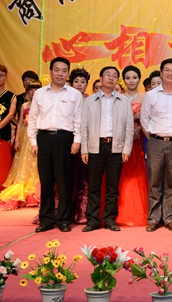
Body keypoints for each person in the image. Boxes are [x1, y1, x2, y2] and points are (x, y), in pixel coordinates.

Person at [28, 57, 83, 233]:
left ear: (68, 73)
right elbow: (33, 118)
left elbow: (78, 120)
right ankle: (46, 219)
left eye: (64, 71)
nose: (60, 74)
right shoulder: (40, 93)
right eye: (57, 70)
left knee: (64, 181)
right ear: (51, 71)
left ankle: (63, 219)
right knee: (46, 181)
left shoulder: (74, 94)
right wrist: (33, 142)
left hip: (65, 139)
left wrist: (76, 141)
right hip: (44, 138)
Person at [80, 66, 133, 232]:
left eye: (114, 76)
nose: (111, 78)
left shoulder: (124, 101)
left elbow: (129, 127)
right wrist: (84, 149)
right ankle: (93, 220)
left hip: (115, 147)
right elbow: (84, 127)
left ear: (117, 80)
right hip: (95, 147)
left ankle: (110, 219)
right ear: (101, 78)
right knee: (94, 186)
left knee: (112, 187)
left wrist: (126, 149)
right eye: (108, 75)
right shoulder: (90, 101)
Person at [140, 59, 172, 232]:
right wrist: (152, 139)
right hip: (155, 142)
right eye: (167, 70)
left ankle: (170, 218)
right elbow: (144, 119)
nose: (170, 73)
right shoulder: (151, 95)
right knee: (154, 181)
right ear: (161, 72)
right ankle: (153, 218)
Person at [0, 80, 42, 210]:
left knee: (36, 162)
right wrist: (17, 140)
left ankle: (36, 191)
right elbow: (20, 124)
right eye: (31, 90)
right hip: (25, 135)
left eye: (36, 90)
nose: (33, 92)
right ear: (28, 91)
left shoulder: (43, 105)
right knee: (23, 163)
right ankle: (23, 193)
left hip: (37, 135)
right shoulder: (24, 105)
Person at [117, 65, 148, 227]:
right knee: (122, 175)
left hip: (140, 140)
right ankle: (121, 212)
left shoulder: (145, 97)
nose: (131, 81)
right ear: (123, 80)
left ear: (139, 79)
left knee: (139, 174)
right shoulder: (119, 97)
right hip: (122, 141)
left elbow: (148, 117)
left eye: (134, 77)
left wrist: (139, 127)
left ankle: (138, 211)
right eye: (128, 78)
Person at [68, 68, 91, 224]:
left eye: (83, 82)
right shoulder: (66, 98)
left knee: (83, 178)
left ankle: (81, 212)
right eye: (76, 81)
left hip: (86, 143)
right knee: (65, 177)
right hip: (68, 141)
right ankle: (61, 210)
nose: (79, 84)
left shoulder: (90, 100)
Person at [0, 65, 17, 190]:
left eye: (1, 75)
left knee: (3, 163)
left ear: (6, 77)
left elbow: (11, 114)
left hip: (3, 134)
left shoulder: (11, 96)